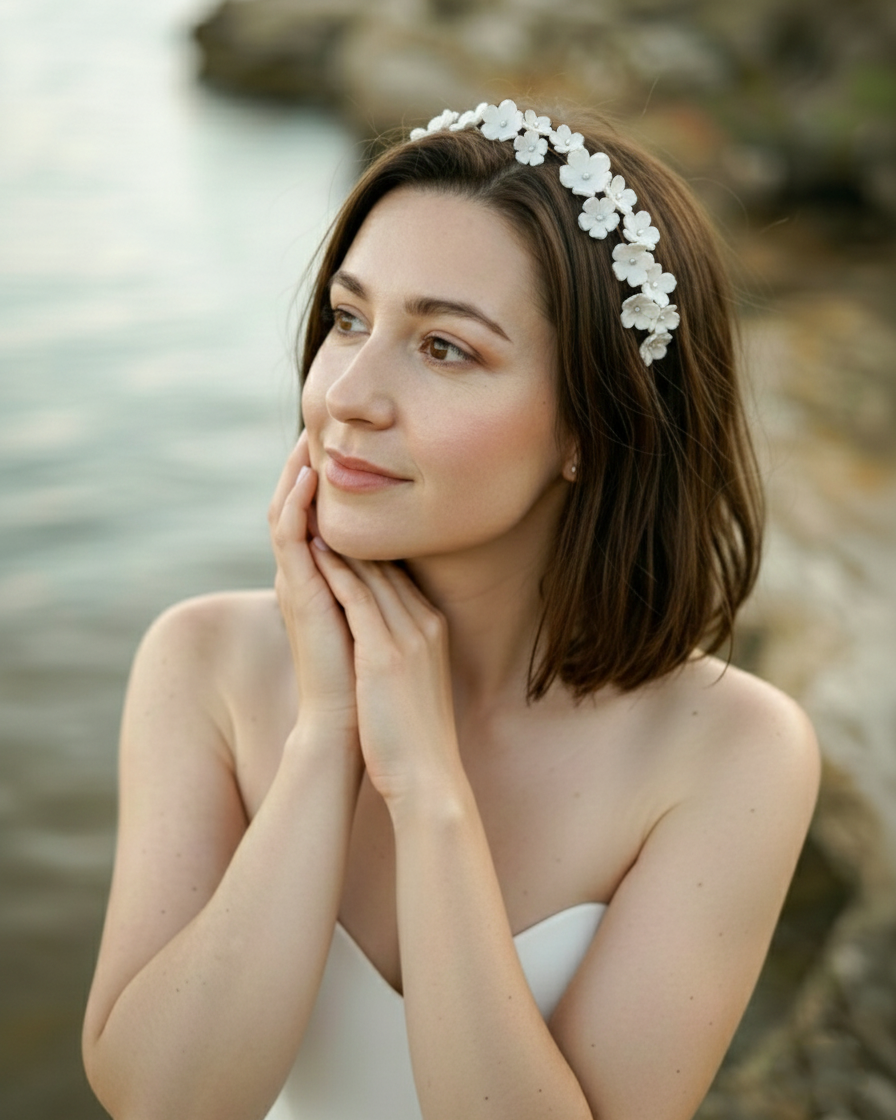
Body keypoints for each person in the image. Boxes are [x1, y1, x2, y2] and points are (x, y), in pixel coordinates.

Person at [82, 100, 820, 1120]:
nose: (346, 392)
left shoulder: (727, 751)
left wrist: (428, 787)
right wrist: (326, 741)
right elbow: (162, 1103)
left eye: (443, 349)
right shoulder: (204, 661)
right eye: (348, 318)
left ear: (589, 428)